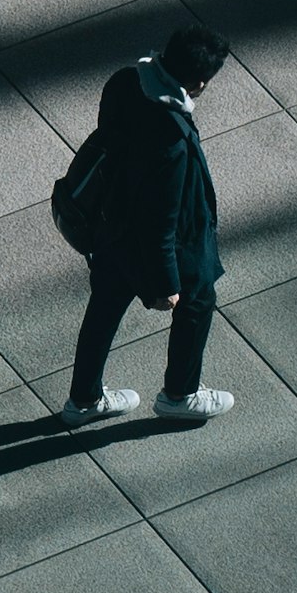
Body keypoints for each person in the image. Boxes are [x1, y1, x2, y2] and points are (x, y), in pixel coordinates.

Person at [54, 22, 237, 427]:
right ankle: (181, 394)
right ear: (200, 83)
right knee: (198, 299)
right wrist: (165, 284)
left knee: (103, 308)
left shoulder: (124, 81)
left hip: (110, 225)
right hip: (159, 244)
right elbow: (162, 222)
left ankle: (83, 400)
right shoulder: (171, 141)